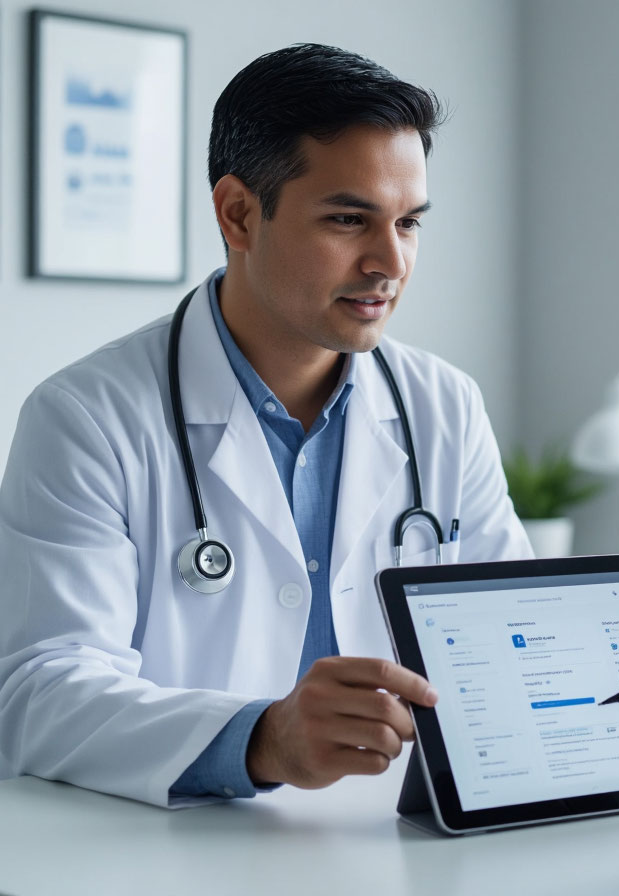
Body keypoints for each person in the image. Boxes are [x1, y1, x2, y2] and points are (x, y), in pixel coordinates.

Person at [0, 44, 532, 807]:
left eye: (408, 222)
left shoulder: (443, 406)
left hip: (400, 840)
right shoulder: (88, 418)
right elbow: (40, 694)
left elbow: (511, 640)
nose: (389, 262)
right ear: (239, 214)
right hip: (173, 849)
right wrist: (262, 738)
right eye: (348, 219)